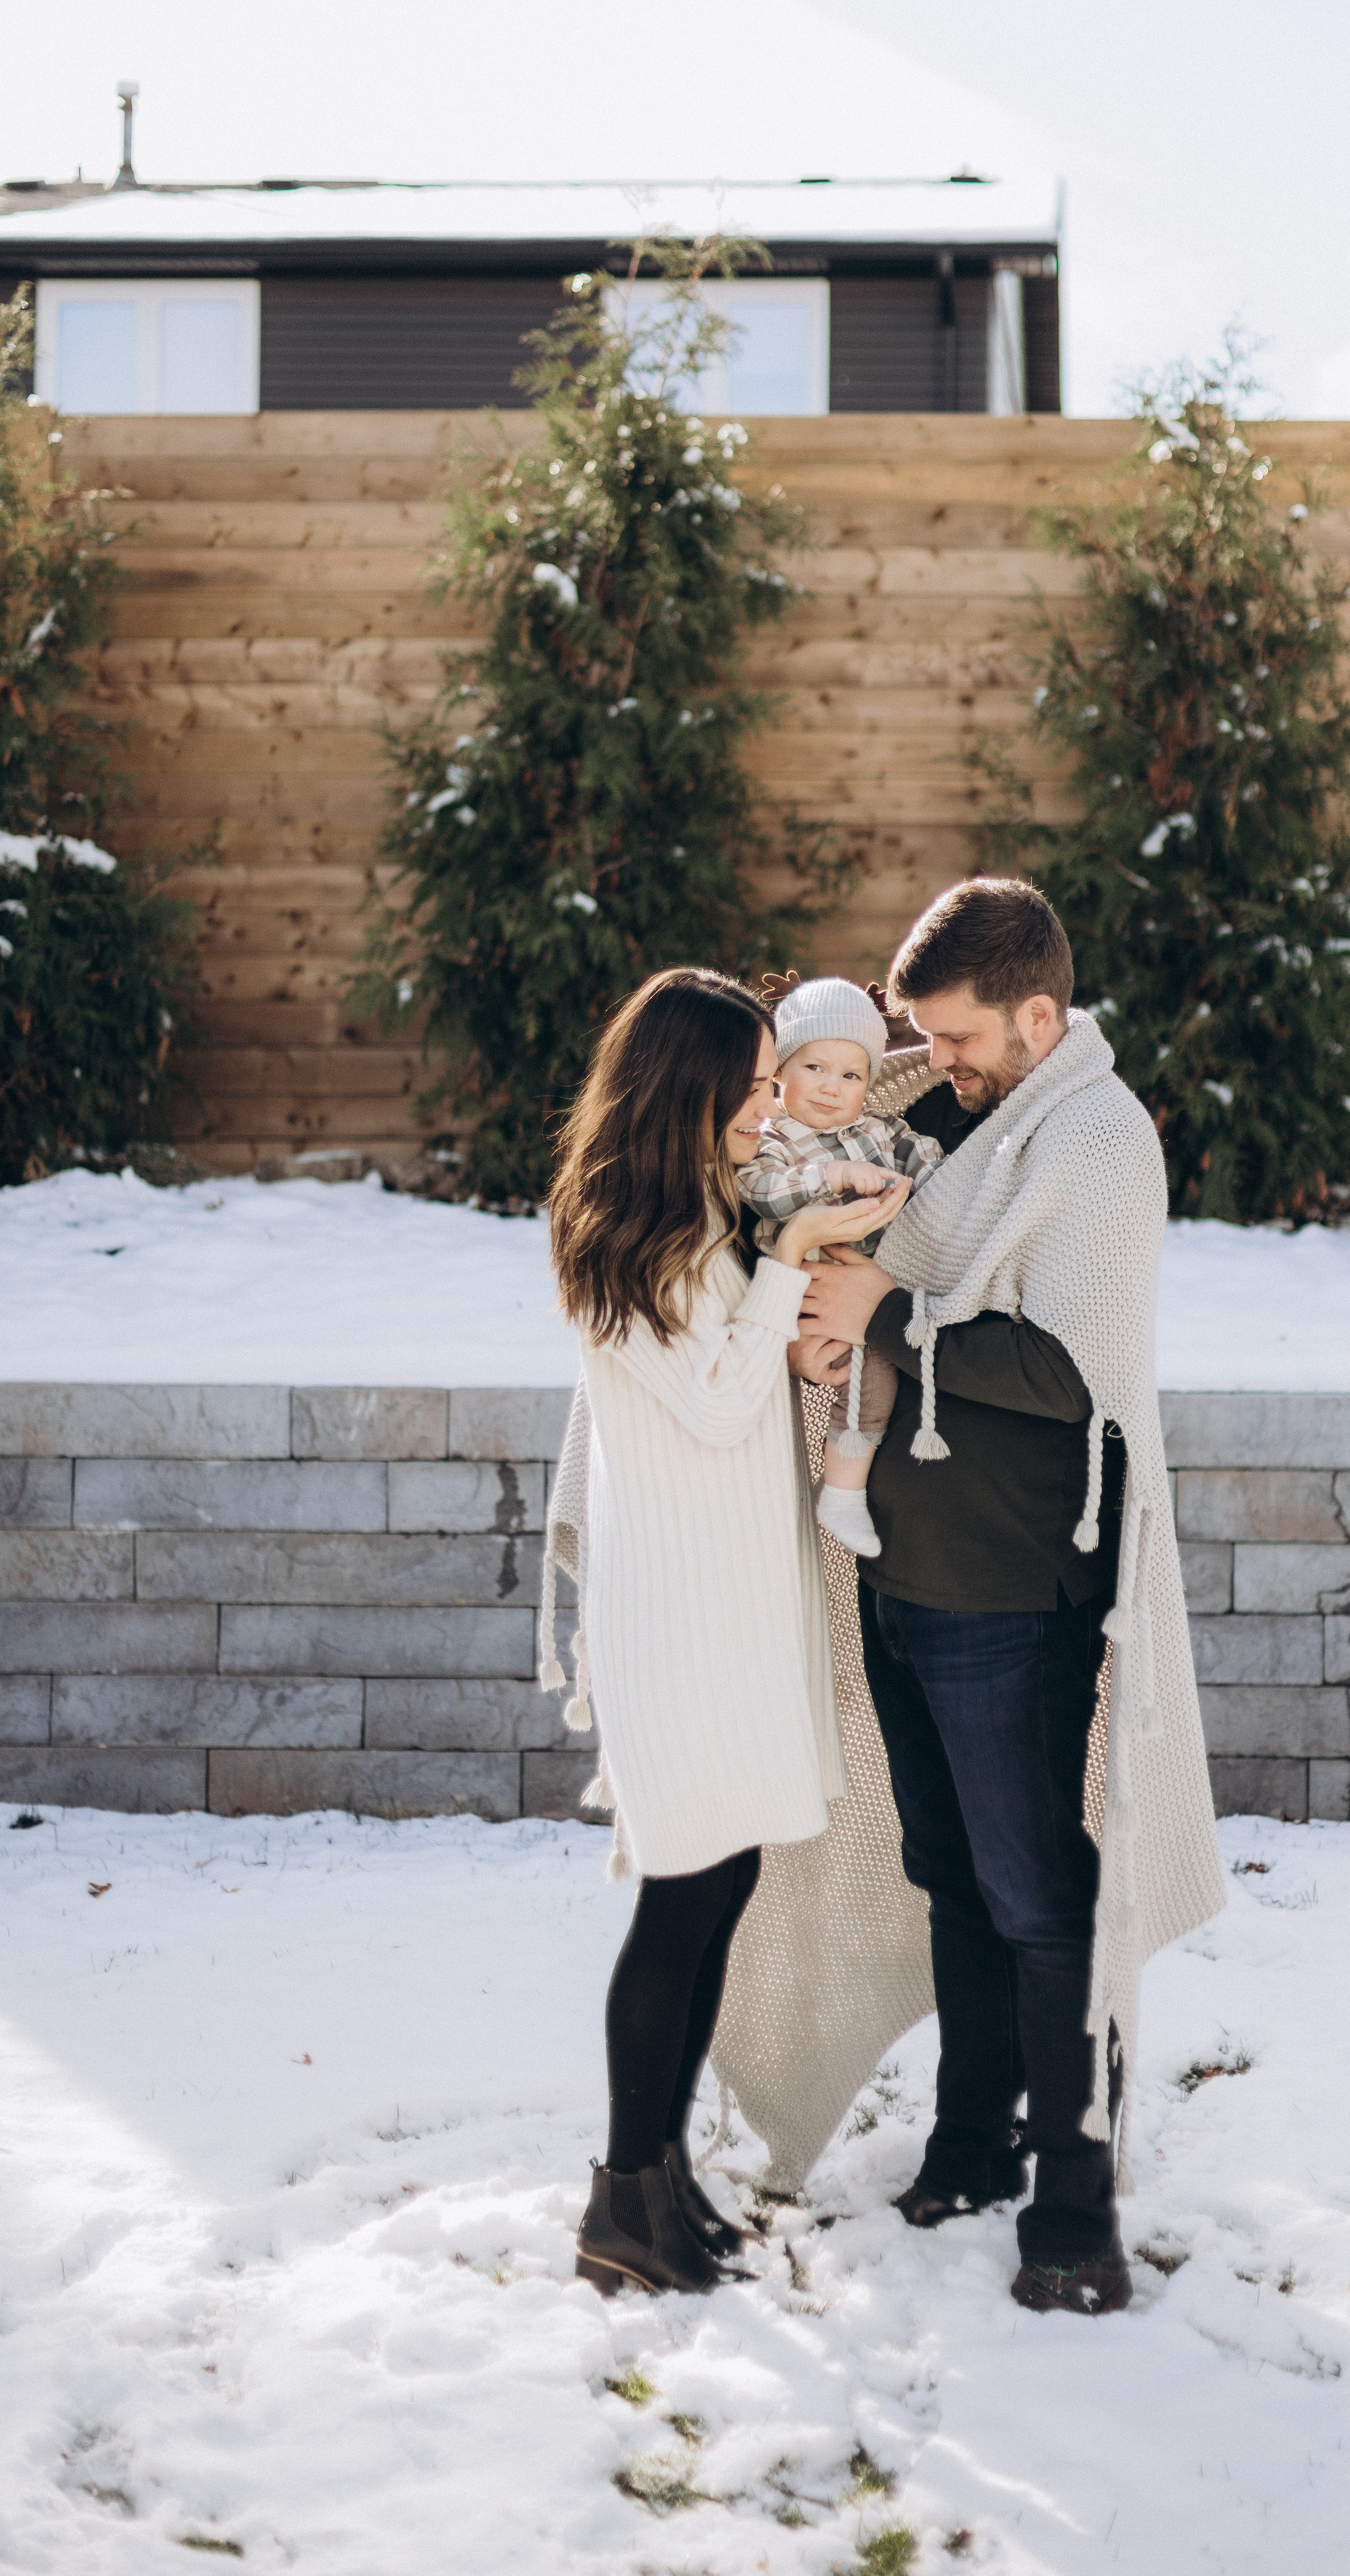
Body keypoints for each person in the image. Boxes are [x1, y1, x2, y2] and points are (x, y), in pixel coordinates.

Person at [791, 878, 1225, 2317]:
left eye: (963, 1034)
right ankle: (973, 2143)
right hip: (903, 1562)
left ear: (1040, 1016)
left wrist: (888, 1316)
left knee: (1041, 1894)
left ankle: (1076, 2208)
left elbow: (1073, 1376)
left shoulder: (1095, 1143)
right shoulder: (946, 1118)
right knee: (952, 1879)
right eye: (928, 1033)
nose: (941, 1056)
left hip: (1013, 1582)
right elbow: (831, 1099)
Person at [541, 966, 908, 2298]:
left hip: (739, 1604)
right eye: (752, 1086)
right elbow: (706, 1404)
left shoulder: (709, 1207)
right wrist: (792, 1264)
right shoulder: (625, 1234)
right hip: (680, 1622)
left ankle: (664, 2189)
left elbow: (748, 1382)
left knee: (725, 1889)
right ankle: (620, 2205)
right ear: (684, 1089)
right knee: (683, 1897)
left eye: (772, 1083)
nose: (770, 1109)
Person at [734, 974, 946, 1561]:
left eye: (851, 1076)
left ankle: (851, 1484)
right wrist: (830, 1179)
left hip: (879, 1280)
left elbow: (931, 1163)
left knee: (886, 1371)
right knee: (860, 1373)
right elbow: (762, 1192)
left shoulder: (880, 1131)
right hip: (810, 1284)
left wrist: (932, 1177)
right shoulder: (774, 1140)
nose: (831, 1089)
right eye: (814, 1069)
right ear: (780, 1071)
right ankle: (843, 1491)